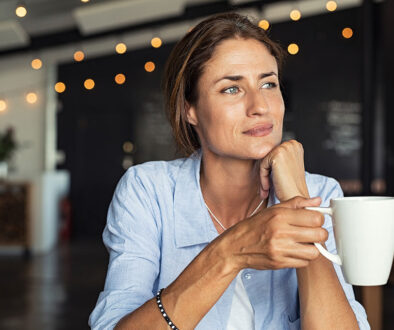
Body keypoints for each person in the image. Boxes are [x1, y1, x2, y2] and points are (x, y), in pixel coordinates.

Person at [89, 12, 369, 330]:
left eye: (268, 83)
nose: (260, 105)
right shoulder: (148, 191)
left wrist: (296, 195)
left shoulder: (321, 194)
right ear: (189, 109)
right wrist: (231, 252)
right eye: (231, 89)